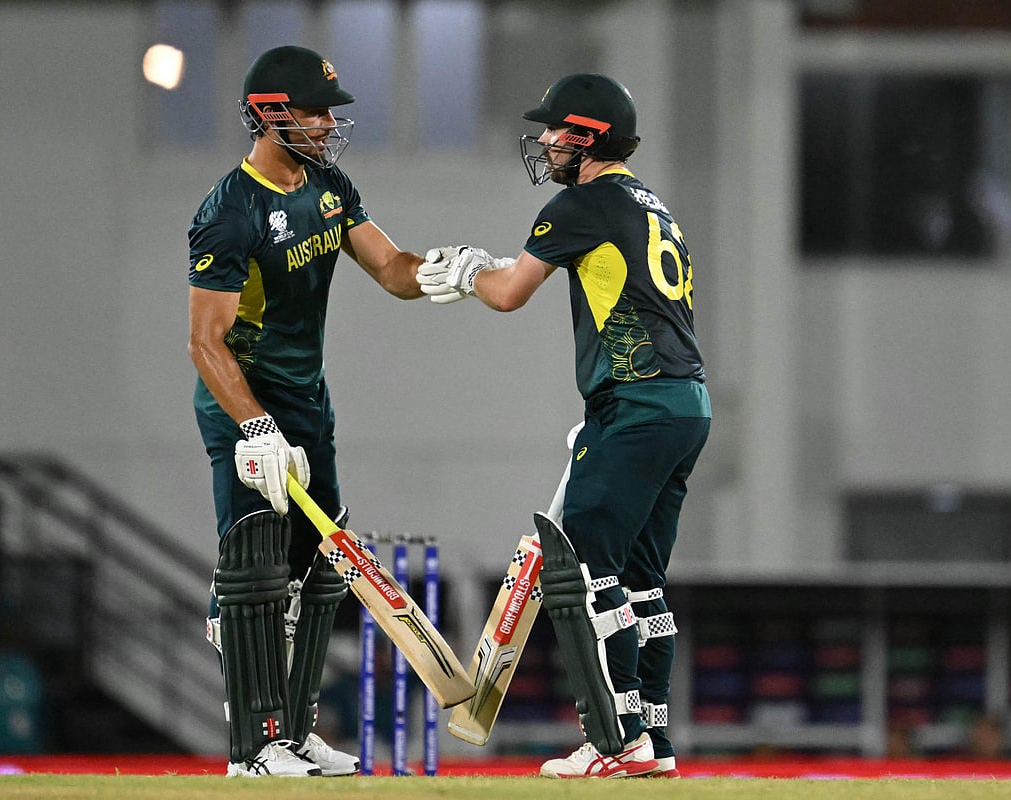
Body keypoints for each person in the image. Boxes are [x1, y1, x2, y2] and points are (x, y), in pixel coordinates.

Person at [419, 73, 711, 778]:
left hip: (638, 406)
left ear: (589, 136)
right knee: (643, 583)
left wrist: (465, 272)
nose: (546, 142)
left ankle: (617, 742)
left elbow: (511, 292)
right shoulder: (652, 205)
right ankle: (654, 743)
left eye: (557, 130)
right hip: (683, 403)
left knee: (581, 567)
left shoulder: (582, 203)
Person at [187, 45, 437, 778]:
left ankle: (294, 732)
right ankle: (253, 749)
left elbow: (392, 269)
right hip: (247, 408)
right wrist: (254, 426)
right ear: (271, 114)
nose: (330, 124)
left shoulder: (327, 183)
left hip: (309, 404)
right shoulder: (229, 210)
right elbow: (204, 340)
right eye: (316, 110)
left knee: (319, 571)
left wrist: (449, 270)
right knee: (254, 578)